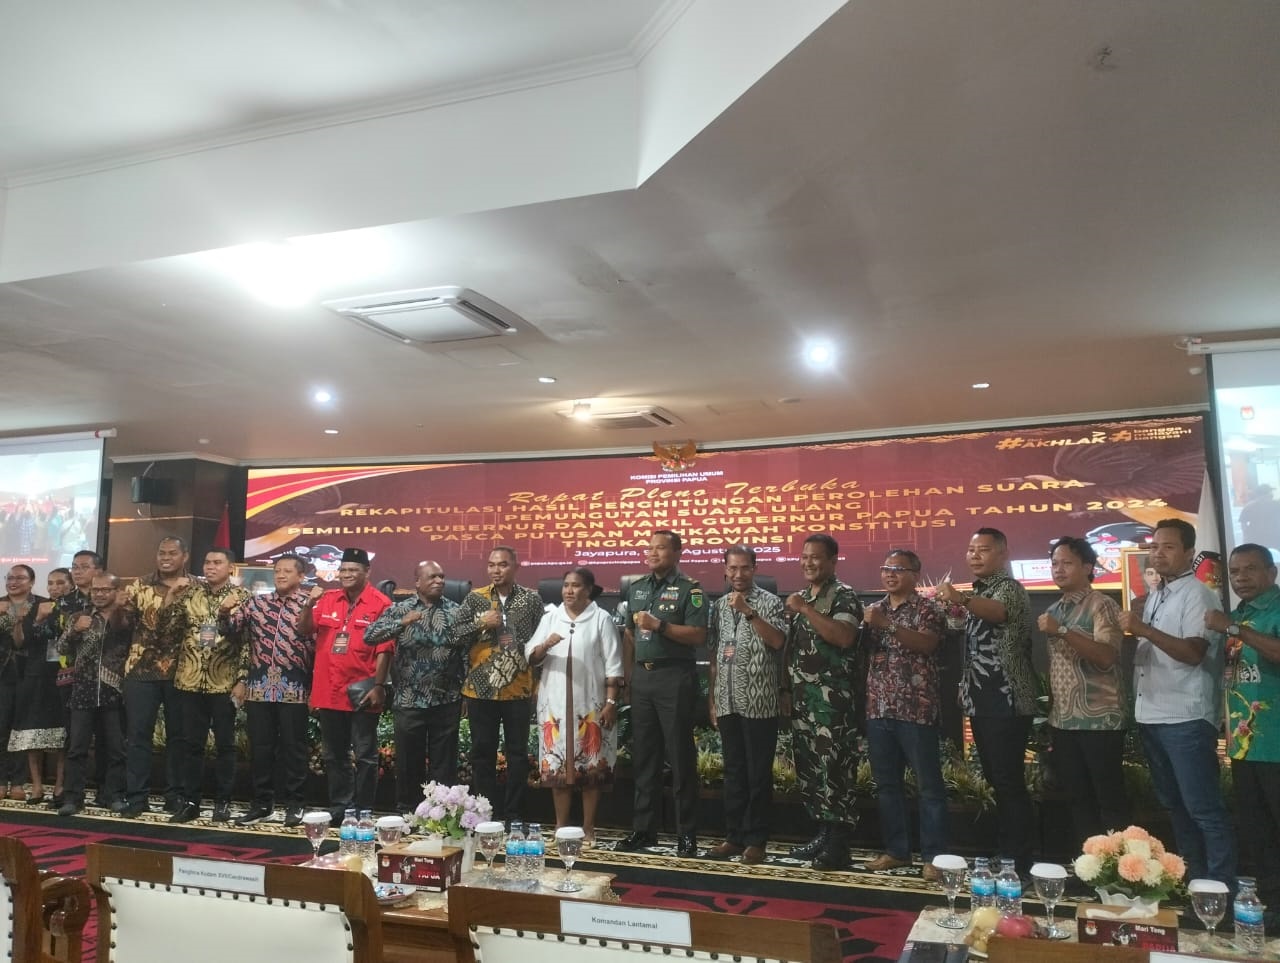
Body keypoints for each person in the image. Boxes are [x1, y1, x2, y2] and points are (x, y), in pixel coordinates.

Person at [1118, 518, 1234, 887]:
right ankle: (1194, 882)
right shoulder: (1158, 594)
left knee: (1203, 808)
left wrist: (1142, 628)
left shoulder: (1198, 595)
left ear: (1188, 552)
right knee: (1175, 807)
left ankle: (1222, 888)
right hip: (1152, 714)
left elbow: (1193, 652)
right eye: (1154, 546)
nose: (1158, 553)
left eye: (1168, 547)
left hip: (1185, 717)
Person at [937, 527, 1035, 874]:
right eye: (971, 549)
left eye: (983, 549)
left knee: (1008, 781)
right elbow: (964, 632)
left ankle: (1019, 857)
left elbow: (999, 613)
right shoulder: (979, 591)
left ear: (1003, 553)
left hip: (1008, 697)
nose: (975, 555)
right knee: (997, 779)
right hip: (982, 698)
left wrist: (961, 599)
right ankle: (1006, 850)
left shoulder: (1009, 588)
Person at [617, 530, 707, 856]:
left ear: (677, 553)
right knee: (645, 758)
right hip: (643, 678)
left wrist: (661, 626)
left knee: (680, 758)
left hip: (674, 677)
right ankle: (644, 830)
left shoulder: (690, 590)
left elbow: (698, 635)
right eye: (650, 548)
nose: (653, 553)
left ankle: (687, 834)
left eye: (661, 548)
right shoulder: (637, 587)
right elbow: (629, 635)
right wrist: (628, 678)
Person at [861, 549, 948, 881]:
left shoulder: (928, 609)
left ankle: (934, 857)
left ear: (915, 574)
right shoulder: (874, 610)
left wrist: (888, 626)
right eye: (886, 568)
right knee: (887, 786)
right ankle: (897, 851)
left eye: (898, 569)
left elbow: (927, 644)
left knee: (929, 787)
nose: (890, 574)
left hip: (916, 710)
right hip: (878, 708)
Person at [1206, 543, 1280, 929]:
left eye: (1250, 569)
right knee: (1257, 830)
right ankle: (1271, 905)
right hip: (1244, 745)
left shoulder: (1269, 612)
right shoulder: (1238, 615)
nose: (1241, 578)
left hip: (1276, 744)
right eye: (1234, 572)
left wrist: (1235, 629)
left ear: (1272, 572)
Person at [1038, 536, 1128, 848]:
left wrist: (1063, 630)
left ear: (1088, 567)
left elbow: (1106, 657)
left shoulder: (1101, 604)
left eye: (1067, 563)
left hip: (1100, 721)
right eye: (1054, 563)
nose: (1058, 569)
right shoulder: (1053, 610)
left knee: (1109, 801)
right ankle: (1089, 864)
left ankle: (1120, 867)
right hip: (1064, 722)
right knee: (1078, 801)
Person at [526, 567, 623, 844]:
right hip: (555, 705)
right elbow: (531, 655)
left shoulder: (601, 619)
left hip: (590, 704)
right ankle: (560, 826)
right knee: (557, 767)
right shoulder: (550, 617)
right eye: (566, 585)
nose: (569, 591)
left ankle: (588, 827)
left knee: (591, 767)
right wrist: (545, 645)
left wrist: (611, 702)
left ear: (588, 590)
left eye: (576, 585)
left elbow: (614, 664)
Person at [784, 533, 864, 870]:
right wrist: (786, 691)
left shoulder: (844, 595)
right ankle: (823, 832)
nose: (808, 563)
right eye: (804, 557)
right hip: (804, 700)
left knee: (835, 769)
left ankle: (839, 843)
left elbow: (844, 637)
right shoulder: (802, 596)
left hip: (833, 703)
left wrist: (805, 609)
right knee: (810, 769)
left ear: (833, 560)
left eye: (815, 557)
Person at [218, 552, 315, 826]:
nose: (280, 575)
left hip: (295, 687)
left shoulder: (311, 604)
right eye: (277, 570)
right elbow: (229, 630)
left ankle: (296, 804)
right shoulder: (257, 603)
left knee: (294, 749)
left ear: (301, 576)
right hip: (259, 687)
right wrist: (223, 612)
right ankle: (262, 804)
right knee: (260, 749)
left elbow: (319, 646)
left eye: (287, 571)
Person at [365, 560, 469, 813]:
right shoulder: (400, 609)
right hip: (409, 699)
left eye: (441, 576)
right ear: (417, 582)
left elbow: (466, 653)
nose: (439, 581)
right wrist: (401, 624)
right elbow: (369, 636)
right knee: (408, 762)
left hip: (446, 699)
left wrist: (466, 691)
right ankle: (407, 811)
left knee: (444, 764)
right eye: (432, 577)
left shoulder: (456, 612)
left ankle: (443, 812)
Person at [705, 546, 786, 865]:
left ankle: (756, 840)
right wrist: (713, 699)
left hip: (759, 701)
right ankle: (734, 836)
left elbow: (778, 641)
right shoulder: (719, 606)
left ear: (755, 568)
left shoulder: (770, 602)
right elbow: (714, 654)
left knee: (758, 774)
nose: (738, 574)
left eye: (745, 568)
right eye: (733, 568)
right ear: (725, 570)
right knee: (734, 772)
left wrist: (750, 612)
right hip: (727, 700)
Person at [298, 547, 392, 821]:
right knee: (333, 755)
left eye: (353, 570)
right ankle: (341, 806)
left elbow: (385, 649)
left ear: (367, 572)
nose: (347, 574)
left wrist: (379, 686)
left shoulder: (381, 603)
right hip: (329, 690)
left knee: (365, 756)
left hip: (362, 691)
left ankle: (363, 808)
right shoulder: (327, 599)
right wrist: (308, 605)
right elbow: (304, 629)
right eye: (343, 570)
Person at [456, 547, 544, 824]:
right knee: (482, 754)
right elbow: (454, 635)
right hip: (480, 690)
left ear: (515, 567)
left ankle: (514, 813)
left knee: (517, 755)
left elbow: (540, 640)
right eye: (492, 565)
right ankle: (485, 813)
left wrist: (538, 682)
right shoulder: (475, 598)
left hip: (518, 688)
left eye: (503, 565)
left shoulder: (531, 599)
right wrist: (480, 622)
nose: (496, 570)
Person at [168, 548, 251, 823]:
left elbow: (247, 642)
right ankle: (191, 801)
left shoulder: (242, 597)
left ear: (230, 568)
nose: (211, 567)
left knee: (225, 745)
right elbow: (170, 628)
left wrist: (242, 679)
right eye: (207, 562)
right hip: (190, 680)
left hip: (224, 681)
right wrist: (172, 597)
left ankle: (223, 801)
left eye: (217, 562)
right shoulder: (190, 593)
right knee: (191, 745)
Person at [121, 536, 193, 814]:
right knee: (138, 736)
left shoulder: (196, 587)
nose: (165, 557)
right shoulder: (139, 586)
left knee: (179, 737)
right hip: (141, 670)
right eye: (162, 552)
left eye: (172, 553)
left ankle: (175, 796)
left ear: (184, 556)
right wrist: (118, 608)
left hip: (182, 671)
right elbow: (128, 627)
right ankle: (136, 797)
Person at [55, 573, 129, 816]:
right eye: (95, 590)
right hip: (82, 692)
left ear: (116, 591)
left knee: (115, 749)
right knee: (77, 748)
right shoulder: (80, 616)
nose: (99, 594)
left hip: (114, 692)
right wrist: (74, 631)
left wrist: (121, 610)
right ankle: (72, 798)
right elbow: (61, 648)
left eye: (105, 590)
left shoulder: (127, 618)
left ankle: (113, 795)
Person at [9, 567, 71, 805]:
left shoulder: (74, 608)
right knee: (31, 731)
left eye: (60, 583)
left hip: (63, 675)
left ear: (70, 585)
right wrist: (29, 619)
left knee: (62, 734)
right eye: (51, 583)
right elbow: (20, 643)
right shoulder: (37, 607)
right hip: (34, 674)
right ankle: (36, 786)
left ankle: (59, 785)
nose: (55, 588)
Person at [0, 565, 45, 799]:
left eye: (19, 578)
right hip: (3, 673)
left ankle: (18, 781)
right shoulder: (0, 604)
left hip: (31, 673)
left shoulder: (43, 605)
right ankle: (1, 781)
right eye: (9, 578)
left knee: (21, 728)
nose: (13, 582)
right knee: (1, 727)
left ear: (32, 581)